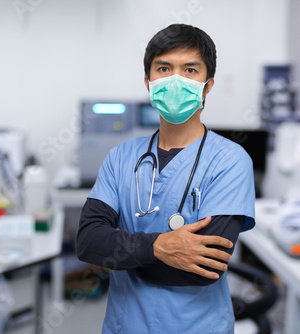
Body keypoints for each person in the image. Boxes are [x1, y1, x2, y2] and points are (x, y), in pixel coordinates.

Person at [76, 24, 255, 334]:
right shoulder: (120, 157)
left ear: (207, 85)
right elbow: (89, 243)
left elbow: (203, 270)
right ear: (148, 82)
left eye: (189, 70)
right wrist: (161, 246)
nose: (176, 80)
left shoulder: (230, 160)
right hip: (124, 326)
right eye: (164, 68)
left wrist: (121, 249)